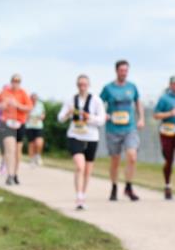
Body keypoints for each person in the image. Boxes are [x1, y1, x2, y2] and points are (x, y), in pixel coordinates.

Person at [58, 75, 106, 210]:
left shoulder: (96, 100)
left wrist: (89, 117)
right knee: (80, 166)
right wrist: (68, 113)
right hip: (75, 136)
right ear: (77, 85)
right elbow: (60, 118)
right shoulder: (71, 100)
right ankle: (78, 196)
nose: (82, 87)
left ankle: (82, 195)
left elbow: (102, 120)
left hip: (91, 137)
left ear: (89, 85)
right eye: (80, 84)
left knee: (88, 170)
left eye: (84, 84)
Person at [100, 59, 144, 201]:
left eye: (126, 70)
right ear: (116, 71)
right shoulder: (108, 88)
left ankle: (128, 187)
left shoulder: (132, 87)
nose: (124, 73)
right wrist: (103, 114)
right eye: (121, 70)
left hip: (129, 127)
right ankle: (114, 187)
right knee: (115, 160)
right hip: (113, 129)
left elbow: (138, 102)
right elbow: (99, 102)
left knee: (132, 156)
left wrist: (141, 118)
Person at [0, 74, 32, 186]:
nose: (16, 83)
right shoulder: (5, 92)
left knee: (17, 152)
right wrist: (1, 105)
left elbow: (29, 107)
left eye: (18, 81)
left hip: (20, 123)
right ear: (11, 82)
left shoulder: (23, 93)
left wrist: (18, 105)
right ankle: (9, 175)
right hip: (7, 123)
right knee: (10, 149)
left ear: (20, 82)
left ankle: (15, 174)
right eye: (14, 81)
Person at [25, 93, 46, 165]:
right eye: (33, 98)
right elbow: (25, 115)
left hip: (38, 126)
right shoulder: (27, 104)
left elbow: (43, 114)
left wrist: (41, 117)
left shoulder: (40, 105)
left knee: (39, 142)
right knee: (31, 143)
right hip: (29, 126)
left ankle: (38, 155)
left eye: (35, 98)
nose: (34, 100)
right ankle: (31, 159)